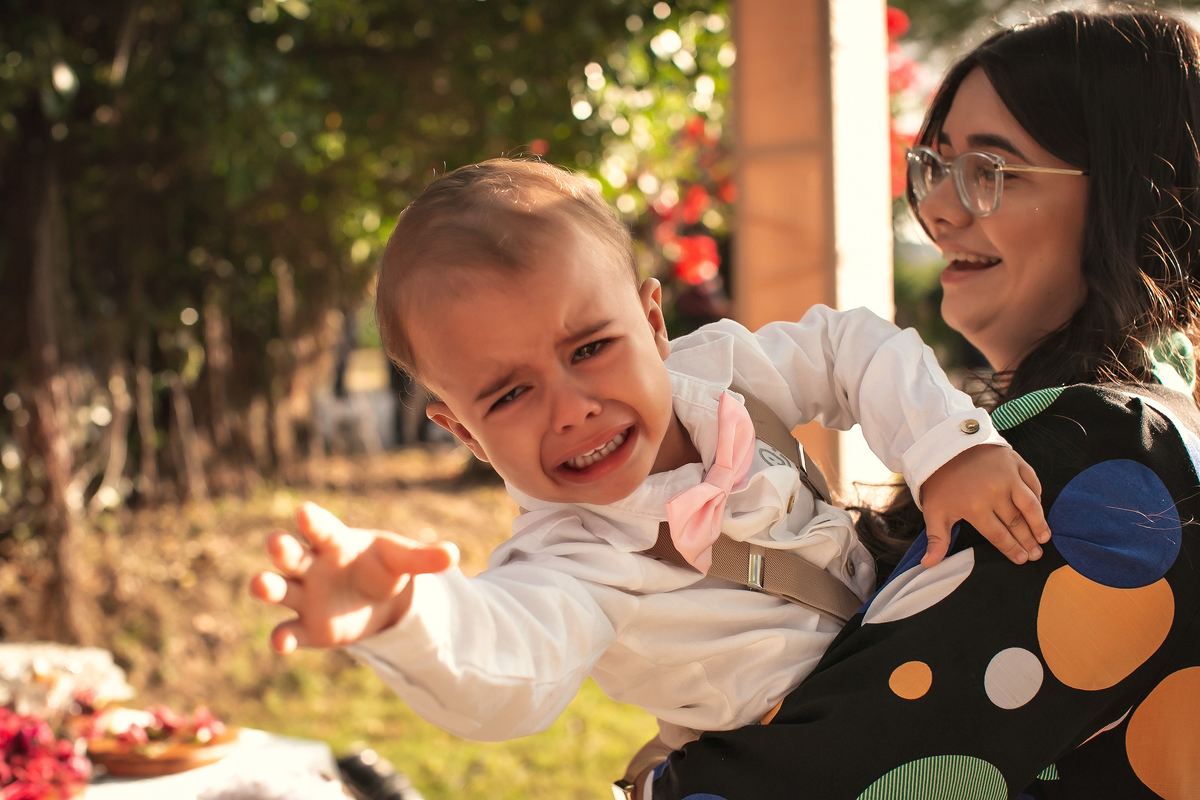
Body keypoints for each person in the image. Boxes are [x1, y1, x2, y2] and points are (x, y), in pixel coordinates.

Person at [250, 158, 1049, 788]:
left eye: (590, 348)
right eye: (511, 393)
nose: (571, 408)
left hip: (898, 650)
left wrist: (949, 446)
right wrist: (408, 615)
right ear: (463, 433)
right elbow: (511, 659)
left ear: (654, 321)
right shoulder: (574, 556)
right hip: (796, 767)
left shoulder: (727, 371)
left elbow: (850, 347)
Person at [644, 8, 1200, 799]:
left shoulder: (1102, 451)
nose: (937, 208)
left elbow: (848, 776)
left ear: (1129, 192)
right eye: (934, 167)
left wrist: (655, 782)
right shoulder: (1154, 428)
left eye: (990, 170)